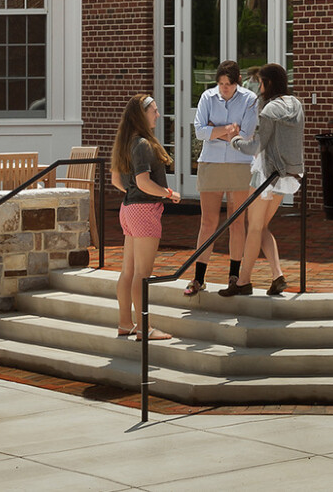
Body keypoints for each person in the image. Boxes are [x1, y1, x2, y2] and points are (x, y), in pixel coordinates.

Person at [225, 62, 302, 298]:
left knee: (254, 227)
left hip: (265, 174)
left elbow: (256, 146)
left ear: (267, 83)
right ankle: (277, 275)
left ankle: (243, 282)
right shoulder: (297, 105)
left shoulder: (269, 110)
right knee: (262, 227)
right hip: (287, 175)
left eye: (260, 82)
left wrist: (234, 139)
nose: (258, 86)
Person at [110, 92, 181, 340]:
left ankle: (125, 323)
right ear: (142, 114)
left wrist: (134, 192)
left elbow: (116, 180)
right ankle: (143, 328)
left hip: (128, 209)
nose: (158, 115)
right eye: (154, 111)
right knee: (142, 274)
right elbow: (143, 182)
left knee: (128, 271)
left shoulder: (126, 141)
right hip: (143, 211)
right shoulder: (141, 143)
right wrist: (169, 193)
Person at [186, 59, 258, 297]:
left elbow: (246, 136)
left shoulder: (249, 100)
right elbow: (199, 131)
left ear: (237, 81)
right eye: (221, 84)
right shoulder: (207, 97)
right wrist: (230, 130)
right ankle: (198, 278)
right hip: (211, 163)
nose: (224, 88)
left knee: (237, 222)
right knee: (208, 222)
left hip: (240, 165)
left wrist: (215, 131)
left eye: (228, 84)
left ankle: (234, 277)